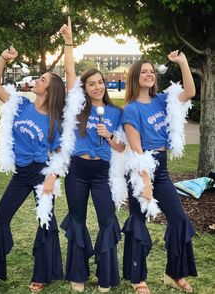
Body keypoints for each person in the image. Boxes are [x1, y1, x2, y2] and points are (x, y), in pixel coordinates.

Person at [0, 47, 65, 292]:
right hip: (21, 173)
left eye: (43, 80)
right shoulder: (20, 105)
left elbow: (62, 154)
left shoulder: (55, 121)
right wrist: (2, 59)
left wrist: (52, 177)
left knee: (45, 221)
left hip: (41, 173)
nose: (38, 81)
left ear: (51, 90)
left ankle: (42, 275)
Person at [121, 52, 197, 293]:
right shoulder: (130, 110)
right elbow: (135, 148)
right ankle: (137, 277)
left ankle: (175, 272)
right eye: (143, 71)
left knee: (179, 219)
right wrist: (145, 182)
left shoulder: (162, 100)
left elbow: (190, 93)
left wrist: (183, 63)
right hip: (140, 167)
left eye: (151, 71)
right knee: (138, 222)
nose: (149, 74)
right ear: (135, 77)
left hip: (161, 168)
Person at [59, 17, 125, 293]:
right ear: (85, 89)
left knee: (107, 220)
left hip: (101, 173)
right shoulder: (77, 109)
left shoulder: (116, 113)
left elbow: (122, 148)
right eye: (91, 84)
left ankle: (106, 275)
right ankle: (78, 273)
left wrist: (108, 135)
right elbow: (71, 73)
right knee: (76, 219)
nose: (97, 87)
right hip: (77, 170)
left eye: (100, 83)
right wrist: (69, 44)